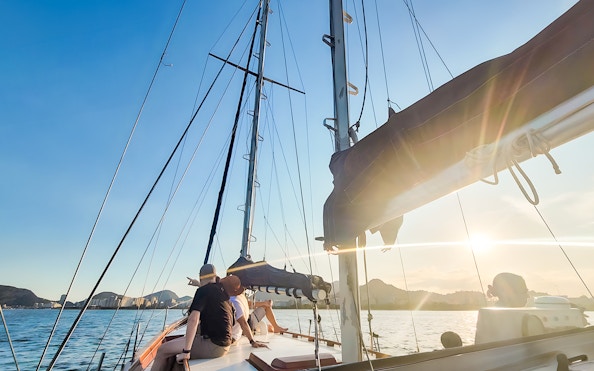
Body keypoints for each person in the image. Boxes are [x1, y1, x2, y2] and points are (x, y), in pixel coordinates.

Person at [151, 264, 243, 371]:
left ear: (200, 276)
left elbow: (193, 320)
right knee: (175, 347)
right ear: (215, 276)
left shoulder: (203, 291)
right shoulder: (222, 292)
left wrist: (186, 351)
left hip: (214, 345)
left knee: (162, 350)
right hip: (225, 344)